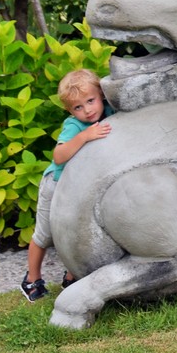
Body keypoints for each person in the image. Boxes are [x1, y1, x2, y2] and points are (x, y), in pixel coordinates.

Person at [20, 69, 113, 302]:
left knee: (76, 232)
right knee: (45, 234)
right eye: (77, 107)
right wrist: (84, 137)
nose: (87, 110)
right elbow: (59, 156)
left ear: (100, 95)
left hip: (83, 187)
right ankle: (32, 279)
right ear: (70, 111)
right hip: (57, 185)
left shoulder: (110, 113)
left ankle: (72, 275)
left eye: (90, 101)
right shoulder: (74, 126)